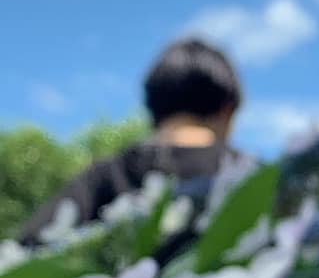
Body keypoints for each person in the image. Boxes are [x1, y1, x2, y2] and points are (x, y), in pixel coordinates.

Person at [19, 38, 249, 243]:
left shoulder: (106, 175)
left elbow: (29, 247)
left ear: (154, 108)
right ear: (227, 108)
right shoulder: (250, 175)